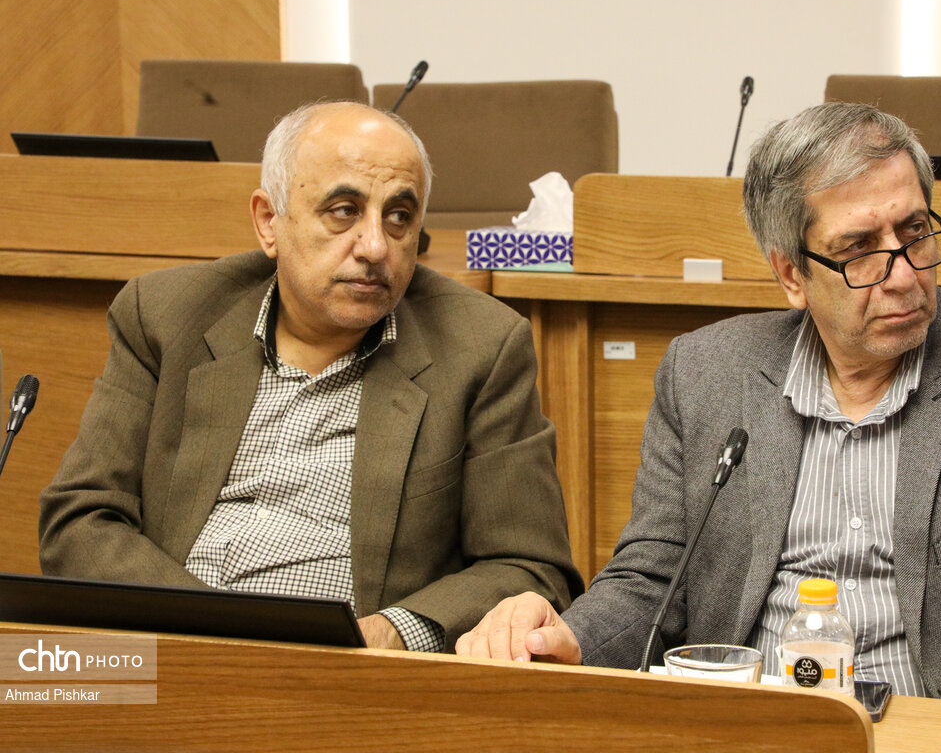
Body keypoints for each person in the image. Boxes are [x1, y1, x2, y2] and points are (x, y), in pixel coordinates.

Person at [455, 103, 941, 712]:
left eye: (915, 232)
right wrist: (566, 638)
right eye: (859, 249)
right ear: (791, 274)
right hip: (749, 725)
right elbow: (653, 578)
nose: (903, 275)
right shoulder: (705, 373)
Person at [40, 101, 583, 651]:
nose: (376, 247)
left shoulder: (481, 346)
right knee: (32, 680)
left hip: (345, 677)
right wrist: (209, 633)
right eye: (344, 211)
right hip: (168, 653)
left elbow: (528, 566)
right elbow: (80, 519)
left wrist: (391, 634)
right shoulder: (166, 315)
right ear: (268, 222)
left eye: (399, 217)